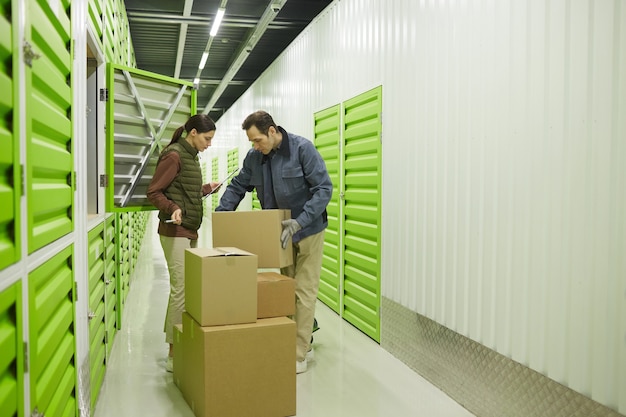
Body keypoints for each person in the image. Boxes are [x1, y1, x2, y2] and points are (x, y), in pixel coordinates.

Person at [216, 110, 332, 374]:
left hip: (309, 230)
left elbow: (323, 189)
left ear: (271, 131)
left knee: (303, 291)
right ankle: (299, 337)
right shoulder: (255, 158)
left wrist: (300, 221)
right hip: (279, 233)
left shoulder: (303, 149)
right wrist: (223, 215)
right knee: (287, 289)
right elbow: (238, 186)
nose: (256, 146)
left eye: (258, 140)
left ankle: (299, 353)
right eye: (252, 142)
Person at [147, 114, 220, 372]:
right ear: (193, 133)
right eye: (207, 138)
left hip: (189, 230)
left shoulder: (190, 157)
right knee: (180, 290)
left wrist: (204, 188)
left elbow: (182, 189)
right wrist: (173, 208)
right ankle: (173, 352)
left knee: (188, 289)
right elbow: (154, 191)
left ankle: (180, 344)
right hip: (174, 231)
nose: (209, 144)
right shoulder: (175, 155)